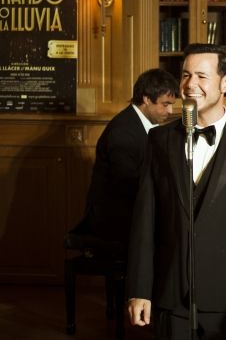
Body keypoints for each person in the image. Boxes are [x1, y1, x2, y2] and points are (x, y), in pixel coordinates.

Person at [127, 43, 226, 339]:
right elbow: (145, 221)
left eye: (201, 76)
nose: (189, 85)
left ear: (225, 83)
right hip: (170, 298)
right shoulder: (159, 140)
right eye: (185, 75)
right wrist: (139, 289)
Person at [69, 68, 179, 253]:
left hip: (128, 209)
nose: (170, 110)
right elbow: (127, 185)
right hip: (112, 219)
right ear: (146, 99)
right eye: (165, 104)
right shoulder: (123, 132)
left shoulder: (142, 125)